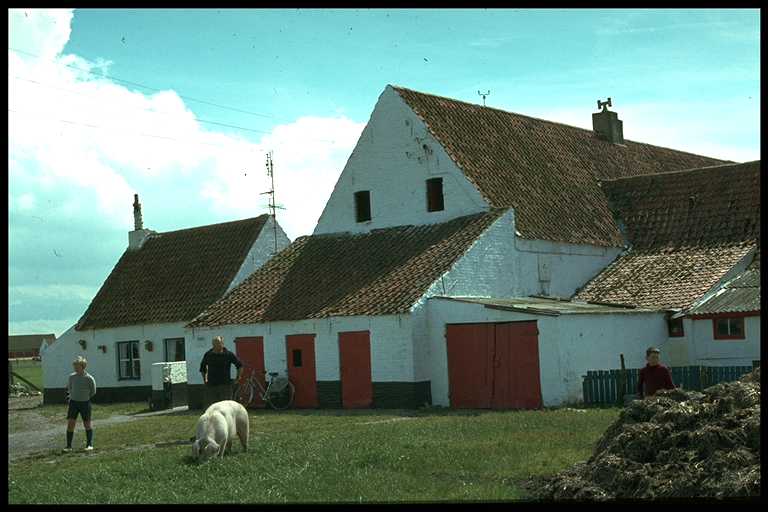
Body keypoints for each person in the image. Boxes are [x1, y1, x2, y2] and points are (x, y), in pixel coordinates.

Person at [64, 356, 97, 452]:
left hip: (85, 403)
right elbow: (69, 388)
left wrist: (85, 397)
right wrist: (72, 396)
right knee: (70, 424)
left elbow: (93, 391)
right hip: (73, 403)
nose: (75, 368)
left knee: (87, 424)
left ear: (83, 366)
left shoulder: (89, 378)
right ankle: (68, 446)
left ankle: (89, 444)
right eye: (74, 366)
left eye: (77, 366)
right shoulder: (72, 377)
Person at [199, 336, 242, 409]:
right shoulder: (208, 355)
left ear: (222, 344)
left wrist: (238, 378)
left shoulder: (228, 354)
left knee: (226, 407)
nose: (216, 345)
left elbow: (239, 365)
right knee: (212, 408)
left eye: (218, 343)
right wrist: (205, 379)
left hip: (225, 386)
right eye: (214, 344)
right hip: (211, 386)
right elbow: (203, 368)